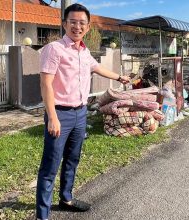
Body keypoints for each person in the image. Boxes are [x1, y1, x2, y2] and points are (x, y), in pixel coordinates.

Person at [36, 3, 130, 220]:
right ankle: (42, 215)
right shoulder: (54, 49)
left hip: (80, 113)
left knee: (72, 159)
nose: (77, 27)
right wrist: (52, 117)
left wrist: (118, 77)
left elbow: (96, 67)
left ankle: (66, 198)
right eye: (73, 22)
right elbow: (46, 85)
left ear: (87, 27)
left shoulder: (83, 50)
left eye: (82, 23)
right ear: (64, 24)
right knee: (50, 166)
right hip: (60, 114)